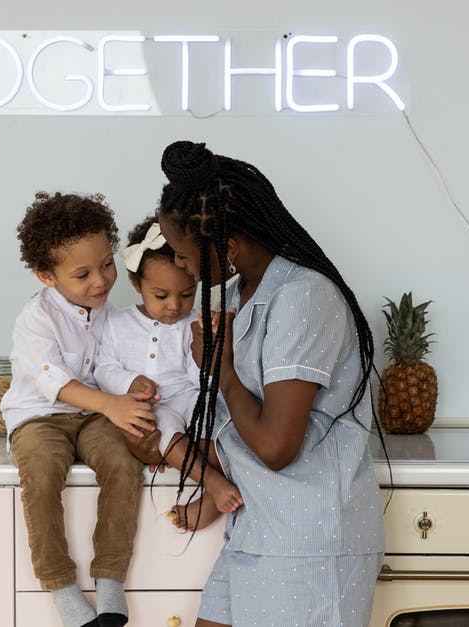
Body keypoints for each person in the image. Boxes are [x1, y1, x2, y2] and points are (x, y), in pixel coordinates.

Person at [154, 141, 385, 627]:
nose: (180, 267)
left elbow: (278, 446)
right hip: (259, 524)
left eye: (182, 255)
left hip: (307, 540)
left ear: (229, 248)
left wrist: (222, 371)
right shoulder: (237, 294)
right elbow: (232, 429)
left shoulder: (304, 298)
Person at [0, 192, 157, 627]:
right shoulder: (35, 319)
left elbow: (109, 365)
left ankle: (110, 579)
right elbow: (53, 380)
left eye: (107, 264)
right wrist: (111, 402)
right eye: (83, 274)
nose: (101, 281)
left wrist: (131, 385)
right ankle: (59, 584)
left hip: (91, 418)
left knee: (124, 462)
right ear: (46, 276)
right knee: (44, 472)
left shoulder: (111, 315)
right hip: (38, 416)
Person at [94, 216, 244, 530]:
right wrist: (129, 382)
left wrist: (209, 340)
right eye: (161, 295)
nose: (174, 306)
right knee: (160, 429)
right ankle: (213, 484)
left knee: (224, 428)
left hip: (189, 397)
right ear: (137, 284)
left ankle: (216, 493)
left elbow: (199, 379)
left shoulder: (194, 323)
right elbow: (104, 368)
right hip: (153, 408)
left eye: (187, 294)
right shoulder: (117, 323)